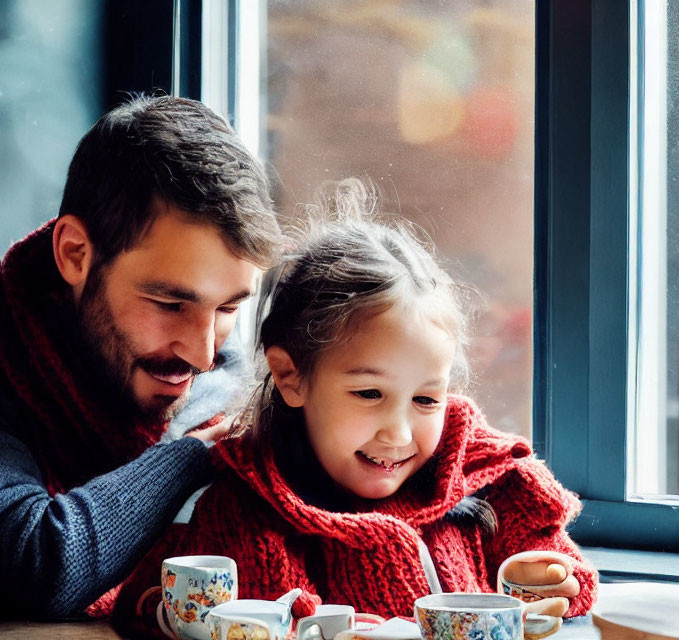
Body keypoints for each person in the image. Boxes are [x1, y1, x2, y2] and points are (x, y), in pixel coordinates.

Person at [112, 179, 597, 637]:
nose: (399, 433)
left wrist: (546, 579)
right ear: (290, 377)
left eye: (426, 399)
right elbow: (149, 603)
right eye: (369, 394)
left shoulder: (487, 478)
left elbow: (561, 569)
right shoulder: (249, 508)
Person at [0, 95, 282, 618]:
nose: (202, 355)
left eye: (228, 308)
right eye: (170, 303)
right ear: (75, 255)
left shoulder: (224, 374)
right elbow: (35, 564)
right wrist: (193, 455)